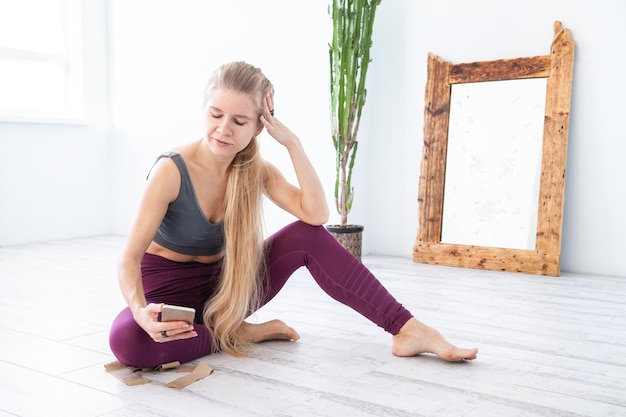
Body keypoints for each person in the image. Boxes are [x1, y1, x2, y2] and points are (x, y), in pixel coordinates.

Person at [109, 61, 478, 368]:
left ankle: (407, 329)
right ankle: (237, 332)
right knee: (128, 341)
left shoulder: (256, 170)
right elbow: (129, 256)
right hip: (168, 295)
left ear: (259, 126)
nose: (223, 129)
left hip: (228, 291)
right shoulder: (171, 171)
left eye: (239, 121)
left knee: (307, 235)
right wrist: (141, 311)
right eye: (216, 114)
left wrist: (293, 143)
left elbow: (316, 214)